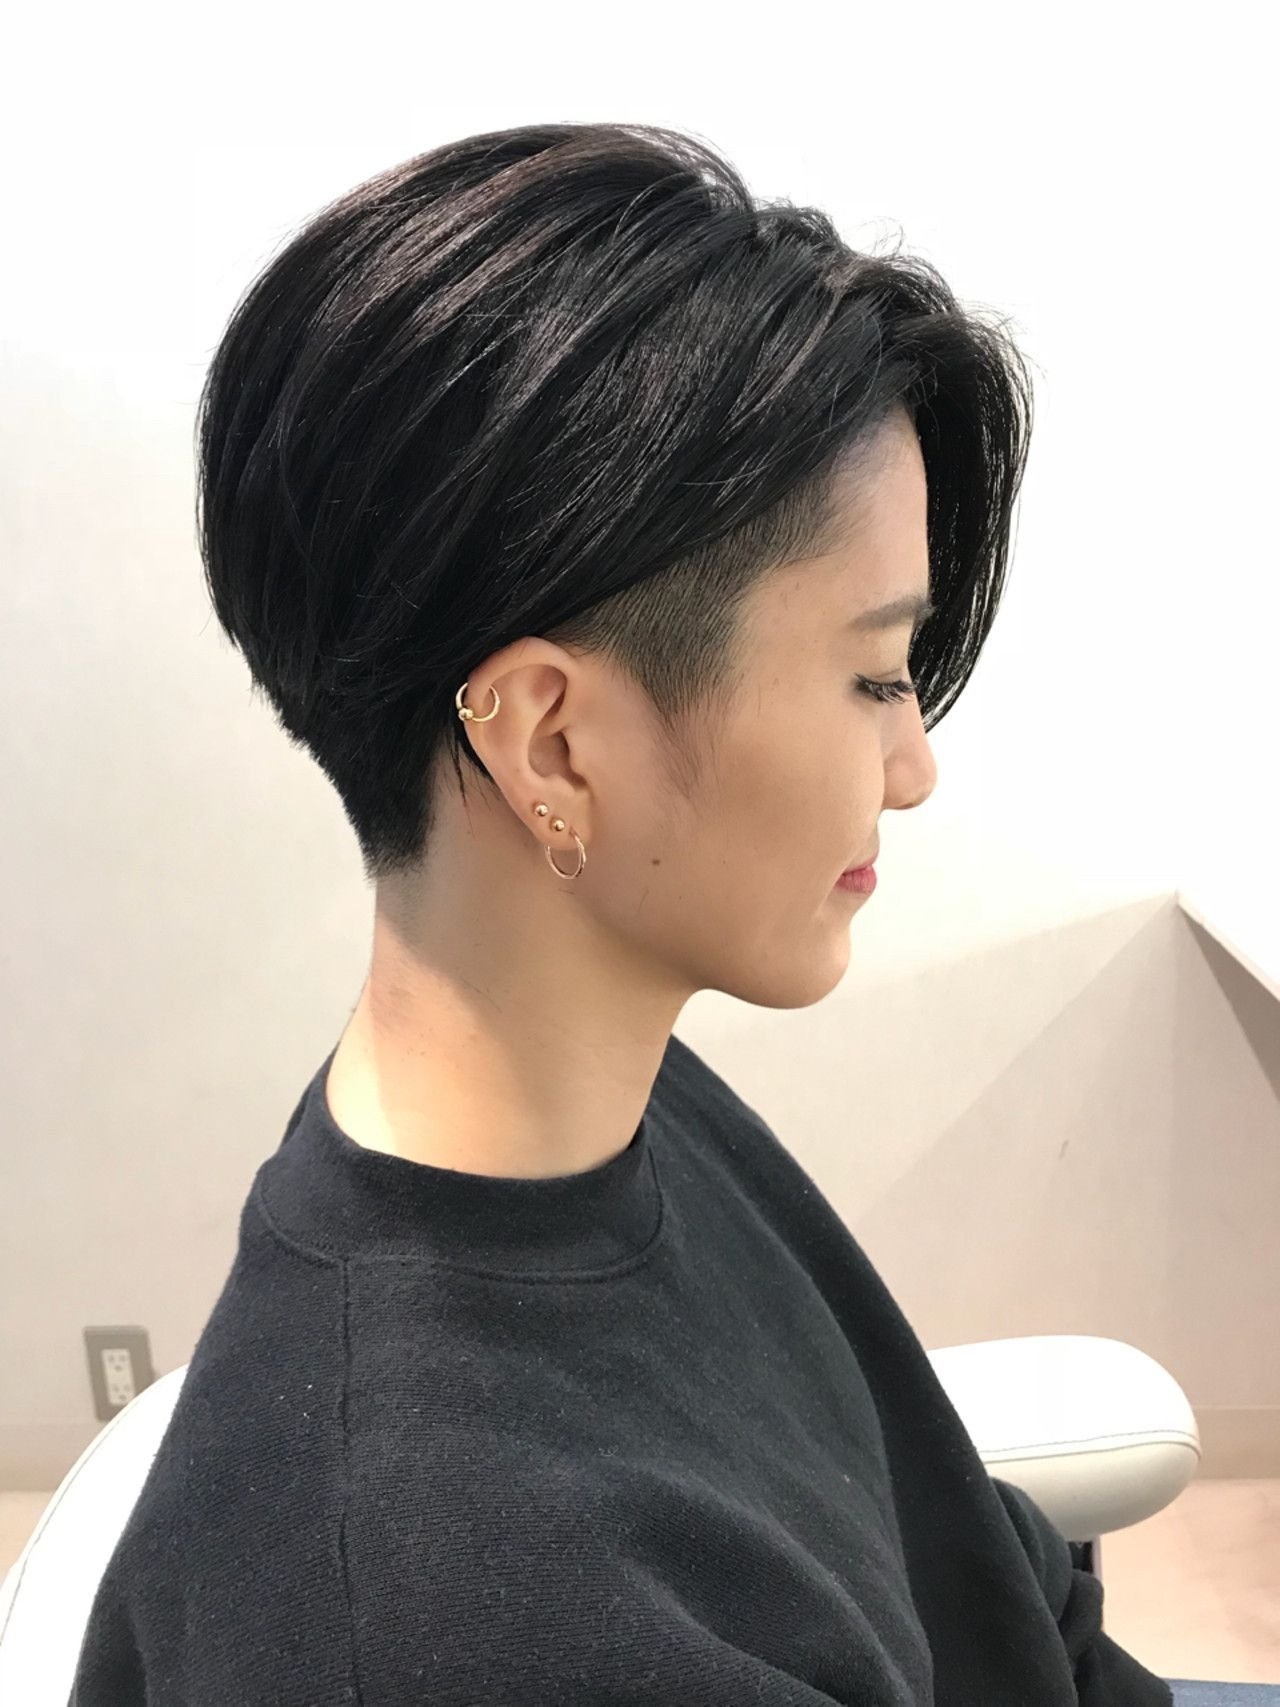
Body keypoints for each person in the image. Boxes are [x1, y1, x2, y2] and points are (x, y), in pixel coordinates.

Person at [70, 121, 1174, 1703]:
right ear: (555, 745)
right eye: (874, 677)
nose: (914, 768)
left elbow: (974, 1580)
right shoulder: (449, 1626)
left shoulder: (620, 1100)